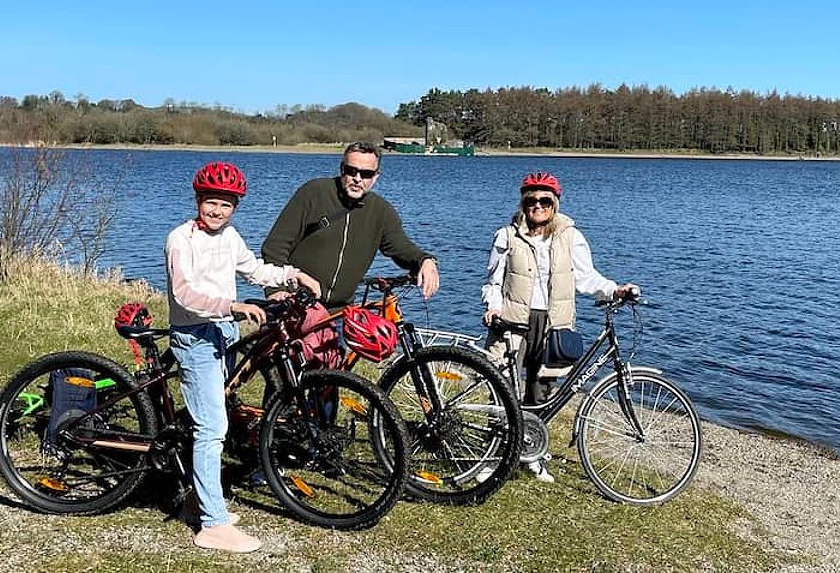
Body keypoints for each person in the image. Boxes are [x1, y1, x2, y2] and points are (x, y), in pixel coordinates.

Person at [166, 161, 320, 553]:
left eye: (226, 205)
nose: (217, 211)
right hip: (194, 338)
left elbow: (253, 269)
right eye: (211, 203)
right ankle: (213, 526)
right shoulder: (180, 239)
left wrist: (292, 275)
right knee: (212, 427)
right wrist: (231, 306)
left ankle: (194, 499)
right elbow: (184, 295)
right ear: (198, 200)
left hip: (224, 335)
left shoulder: (230, 236)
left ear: (235, 207)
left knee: (212, 414)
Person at [480, 171, 638, 482]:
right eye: (531, 200)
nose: (537, 206)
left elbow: (586, 277)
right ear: (523, 203)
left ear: (555, 204)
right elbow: (493, 280)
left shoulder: (570, 236)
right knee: (501, 392)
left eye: (544, 201)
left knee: (542, 391)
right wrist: (493, 307)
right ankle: (492, 457)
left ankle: (531, 455)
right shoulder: (506, 235)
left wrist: (614, 290)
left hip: (554, 323)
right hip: (512, 321)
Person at [260, 141, 439, 306]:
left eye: (366, 174)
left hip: (341, 310)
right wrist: (276, 290)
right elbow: (275, 246)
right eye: (351, 171)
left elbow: (401, 247)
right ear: (341, 169)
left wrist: (425, 260)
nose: (357, 179)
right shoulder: (314, 193)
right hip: (296, 303)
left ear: (376, 177)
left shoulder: (381, 211)